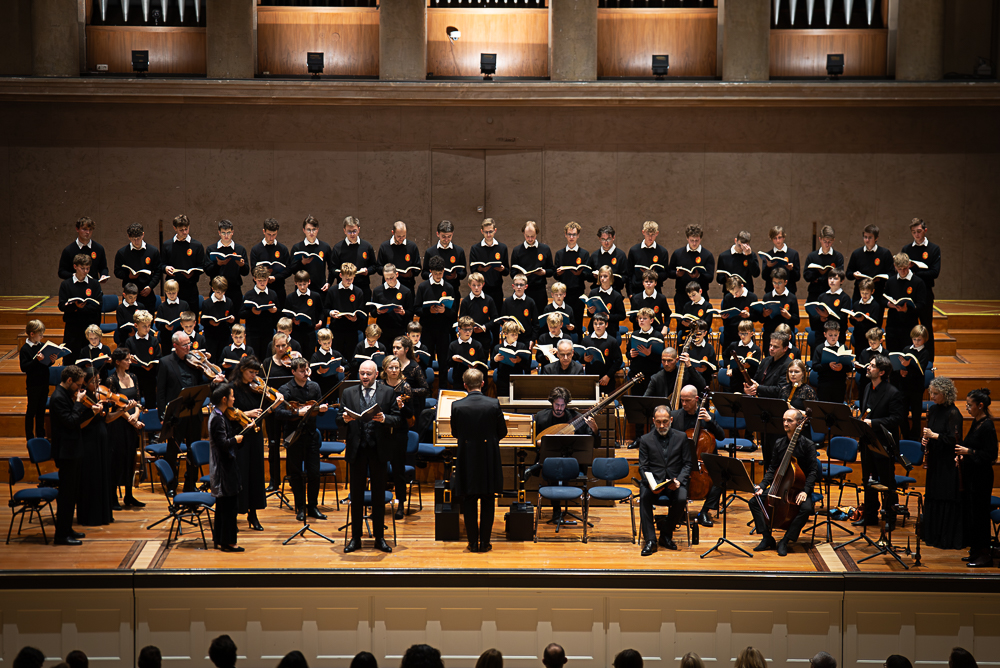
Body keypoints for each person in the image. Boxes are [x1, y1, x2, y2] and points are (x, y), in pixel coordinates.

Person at [341, 360, 401, 553]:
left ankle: (379, 538)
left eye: (368, 374)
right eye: (361, 373)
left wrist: (385, 419)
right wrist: (343, 419)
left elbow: (398, 419)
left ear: (376, 374)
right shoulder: (348, 393)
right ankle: (355, 538)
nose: (364, 377)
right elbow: (338, 419)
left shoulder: (388, 392)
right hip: (357, 450)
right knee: (356, 496)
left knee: (378, 495)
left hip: (378, 450)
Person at [750, 408, 820, 556]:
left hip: (800, 488)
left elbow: (813, 472)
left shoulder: (808, 445)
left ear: (799, 423)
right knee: (754, 501)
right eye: (784, 420)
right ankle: (767, 537)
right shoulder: (779, 443)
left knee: (806, 509)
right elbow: (772, 468)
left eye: (790, 420)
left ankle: (786, 540)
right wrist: (762, 486)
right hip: (781, 486)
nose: (786, 423)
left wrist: (805, 491)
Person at [452, 368, 508, 553]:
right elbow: (503, 432)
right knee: (487, 500)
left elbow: (455, 433)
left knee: (468, 500)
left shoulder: (457, 405)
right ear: (483, 384)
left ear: (465, 385)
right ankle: (485, 542)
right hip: (488, 457)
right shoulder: (493, 403)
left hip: (466, 457)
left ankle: (472, 543)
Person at [157, 331, 220, 492]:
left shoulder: (195, 362)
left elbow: (202, 383)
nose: (188, 347)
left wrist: (214, 378)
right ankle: (171, 484)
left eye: (189, 343)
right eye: (185, 345)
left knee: (193, 450)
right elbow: (161, 392)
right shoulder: (165, 362)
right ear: (175, 346)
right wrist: (163, 416)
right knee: (172, 450)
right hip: (175, 416)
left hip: (193, 413)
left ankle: (190, 483)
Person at [854, 355, 906, 529]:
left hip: (884, 445)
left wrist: (873, 423)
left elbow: (897, 418)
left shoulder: (893, 393)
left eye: (873, 366)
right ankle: (870, 516)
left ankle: (890, 517)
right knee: (867, 480)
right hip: (868, 442)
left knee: (886, 482)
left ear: (882, 372)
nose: (868, 367)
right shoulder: (868, 387)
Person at [275, 357, 330, 522]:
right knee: (296, 473)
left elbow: (319, 410)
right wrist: (296, 413)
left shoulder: (314, 387)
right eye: (301, 371)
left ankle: (312, 506)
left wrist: (322, 409)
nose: (305, 373)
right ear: (293, 372)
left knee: (314, 472)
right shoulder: (285, 390)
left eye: (307, 370)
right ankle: (300, 507)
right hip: (294, 436)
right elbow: (278, 413)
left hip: (312, 435)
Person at [49, 365, 94, 545]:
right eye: (78, 385)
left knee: (72, 493)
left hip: (73, 450)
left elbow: (76, 421)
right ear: (69, 381)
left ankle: (67, 528)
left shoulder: (66, 394)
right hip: (65, 452)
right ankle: (61, 535)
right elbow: (69, 422)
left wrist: (91, 410)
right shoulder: (58, 398)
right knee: (66, 495)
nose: (80, 389)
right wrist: (77, 404)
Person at [638, 405, 691, 555]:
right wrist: (652, 484)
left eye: (665, 422)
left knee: (681, 498)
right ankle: (650, 540)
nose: (662, 426)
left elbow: (687, 464)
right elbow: (643, 467)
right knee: (644, 496)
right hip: (654, 482)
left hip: (675, 481)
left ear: (671, 420)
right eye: (659, 422)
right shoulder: (645, 439)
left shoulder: (681, 437)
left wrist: (679, 481)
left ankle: (666, 535)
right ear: (653, 421)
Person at [229, 356, 273, 531]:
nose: (254, 376)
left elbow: (265, 411)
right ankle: (235, 512)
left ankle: (253, 515)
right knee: (240, 474)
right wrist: (248, 413)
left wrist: (274, 402)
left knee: (255, 474)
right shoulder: (232, 388)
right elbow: (227, 412)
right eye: (251, 372)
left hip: (255, 435)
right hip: (239, 436)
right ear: (242, 370)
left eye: (256, 373)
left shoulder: (257, 389)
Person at [671, 385, 724, 528]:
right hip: (682, 459)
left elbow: (721, 436)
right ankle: (679, 509)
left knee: (721, 478)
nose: (684, 404)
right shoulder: (675, 416)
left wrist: (709, 421)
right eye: (682, 400)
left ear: (696, 399)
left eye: (687, 400)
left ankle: (704, 512)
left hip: (704, 461)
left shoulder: (708, 416)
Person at [920, 377, 963, 549]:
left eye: (936, 393)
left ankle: (944, 537)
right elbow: (931, 432)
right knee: (932, 494)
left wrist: (934, 436)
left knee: (943, 496)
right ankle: (931, 534)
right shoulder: (934, 410)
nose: (932, 396)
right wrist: (925, 440)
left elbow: (954, 440)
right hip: (935, 461)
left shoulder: (954, 413)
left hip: (947, 464)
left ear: (946, 394)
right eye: (931, 392)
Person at [743, 331, 794, 463]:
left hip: (778, 413)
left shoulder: (788, 365)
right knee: (766, 450)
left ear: (785, 349)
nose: (771, 348)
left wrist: (757, 388)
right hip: (763, 411)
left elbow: (781, 390)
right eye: (770, 345)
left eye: (775, 347)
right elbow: (756, 380)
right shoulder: (766, 361)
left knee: (776, 452)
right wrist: (749, 388)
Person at [959, 388, 997, 568]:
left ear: (980, 406)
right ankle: (975, 551)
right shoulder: (976, 422)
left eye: (969, 405)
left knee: (980, 516)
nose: (967, 408)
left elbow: (991, 455)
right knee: (972, 514)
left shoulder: (988, 426)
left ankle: (984, 555)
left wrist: (968, 452)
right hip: (972, 475)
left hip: (981, 477)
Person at [106, 348, 144, 508]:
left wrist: (135, 416)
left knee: (130, 458)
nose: (130, 361)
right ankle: (113, 497)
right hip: (118, 425)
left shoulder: (133, 377)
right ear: (118, 361)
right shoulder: (111, 380)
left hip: (130, 424)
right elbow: (115, 406)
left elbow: (138, 400)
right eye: (127, 359)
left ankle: (129, 495)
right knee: (118, 460)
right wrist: (131, 420)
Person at [209, 384, 245, 553]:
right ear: (224, 399)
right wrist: (236, 439)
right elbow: (223, 443)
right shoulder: (217, 418)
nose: (234, 399)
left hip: (225, 465)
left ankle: (220, 538)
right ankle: (229, 542)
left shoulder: (219, 415)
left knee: (224, 506)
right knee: (230, 506)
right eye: (232, 396)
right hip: (223, 468)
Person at [76, 366, 112, 527]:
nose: (97, 384)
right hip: (89, 443)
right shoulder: (82, 400)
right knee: (92, 479)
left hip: (101, 442)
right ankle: (91, 516)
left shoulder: (97, 398)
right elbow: (80, 425)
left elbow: (106, 419)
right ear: (85, 382)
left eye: (98, 380)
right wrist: (93, 413)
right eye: (93, 382)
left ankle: (103, 515)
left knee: (102, 477)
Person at [415, 255, 458, 386]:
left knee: (443, 363)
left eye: (440, 273)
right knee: (426, 362)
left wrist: (445, 311)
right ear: (431, 272)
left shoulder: (449, 288)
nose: (438, 276)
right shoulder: (423, 287)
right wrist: (429, 311)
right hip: (427, 329)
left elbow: (454, 312)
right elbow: (416, 308)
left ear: (444, 271)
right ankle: (425, 391)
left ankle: (442, 390)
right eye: (435, 273)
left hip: (444, 330)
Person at [902, 217, 940, 361]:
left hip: (925, 293)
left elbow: (935, 272)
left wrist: (916, 272)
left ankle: (929, 361)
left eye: (919, 231)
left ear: (925, 230)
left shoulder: (933, 249)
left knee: (926, 327)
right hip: (910, 293)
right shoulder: (906, 249)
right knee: (909, 326)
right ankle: (909, 358)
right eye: (913, 232)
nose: (917, 235)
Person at [58, 253, 104, 365]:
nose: (85, 271)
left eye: (87, 268)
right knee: (71, 359)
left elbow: (98, 305)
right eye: (82, 268)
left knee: (89, 360)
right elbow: (62, 306)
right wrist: (75, 306)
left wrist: (80, 309)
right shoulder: (66, 284)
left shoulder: (94, 284)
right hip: (73, 328)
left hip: (89, 326)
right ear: (75, 267)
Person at [20, 319, 58, 440]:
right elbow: (24, 367)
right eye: (40, 334)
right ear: (32, 334)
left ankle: (41, 435)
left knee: (41, 410)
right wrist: (36, 360)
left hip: (43, 382)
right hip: (33, 384)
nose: (42, 336)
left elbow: (45, 364)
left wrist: (51, 361)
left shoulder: (42, 346)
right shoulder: (25, 349)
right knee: (32, 411)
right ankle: (30, 437)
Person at [161, 215, 206, 313]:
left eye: (186, 229)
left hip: (190, 288)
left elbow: (202, 265)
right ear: (175, 228)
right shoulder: (167, 245)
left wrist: (193, 273)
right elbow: (161, 264)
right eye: (181, 230)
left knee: (191, 316)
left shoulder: (197, 245)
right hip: (172, 289)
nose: (184, 232)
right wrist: (166, 268)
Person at [884, 253, 927, 354]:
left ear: (909, 265)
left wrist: (907, 309)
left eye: (905, 268)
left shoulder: (918, 282)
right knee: (893, 355)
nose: (903, 271)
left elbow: (922, 304)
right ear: (895, 267)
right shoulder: (891, 281)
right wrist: (889, 304)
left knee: (908, 356)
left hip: (909, 326)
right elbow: (883, 299)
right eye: (900, 269)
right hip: (893, 325)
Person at [330, 216, 379, 302]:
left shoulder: (366, 246)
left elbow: (374, 266)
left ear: (359, 230)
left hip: (362, 287)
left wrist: (367, 271)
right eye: (349, 231)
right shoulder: (338, 248)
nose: (352, 234)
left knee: (362, 314)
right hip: (343, 289)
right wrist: (342, 274)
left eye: (354, 231)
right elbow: (332, 269)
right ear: (344, 231)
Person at [114, 223, 161, 314]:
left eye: (138, 238)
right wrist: (128, 276)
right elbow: (117, 271)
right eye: (133, 239)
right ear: (128, 236)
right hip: (129, 296)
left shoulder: (152, 251)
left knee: (147, 324)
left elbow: (158, 271)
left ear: (143, 235)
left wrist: (150, 287)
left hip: (147, 293)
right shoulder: (122, 252)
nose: (136, 241)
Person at [553, 221, 590, 333]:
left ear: (578, 235)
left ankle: (577, 347)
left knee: (577, 321)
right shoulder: (560, 254)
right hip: (563, 293)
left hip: (578, 292)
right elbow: (555, 275)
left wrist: (580, 274)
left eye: (574, 234)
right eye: (569, 234)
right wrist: (558, 273)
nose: (571, 237)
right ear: (565, 235)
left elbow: (588, 275)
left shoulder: (584, 254)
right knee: (563, 322)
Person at [204, 219, 249, 309]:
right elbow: (208, 271)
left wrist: (242, 265)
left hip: (234, 291)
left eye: (228, 232)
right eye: (223, 233)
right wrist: (218, 264)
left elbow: (246, 272)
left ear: (232, 232)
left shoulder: (240, 249)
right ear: (219, 233)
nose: (226, 236)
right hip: (217, 291)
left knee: (234, 319)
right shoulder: (211, 249)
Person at [668, 223, 714, 311]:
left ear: (700, 238)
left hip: (700, 296)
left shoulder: (707, 255)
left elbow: (710, 277)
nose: (694, 243)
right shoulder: (678, 253)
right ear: (687, 238)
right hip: (682, 295)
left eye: (697, 240)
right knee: (682, 322)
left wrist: (699, 276)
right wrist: (677, 274)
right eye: (691, 240)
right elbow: (669, 272)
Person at [509, 220, 553, 311]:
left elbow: (551, 270)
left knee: (540, 316)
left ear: (536, 234)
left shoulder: (545, 249)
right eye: (527, 236)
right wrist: (520, 275)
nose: (529, 239)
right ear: (523, 233)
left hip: (539, 289)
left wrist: (544, 272)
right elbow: (512, 272)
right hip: (522, 289)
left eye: (532, 236)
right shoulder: (517, 250)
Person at [250, 217, 292, 311]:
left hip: (279, 289)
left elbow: (289, 270)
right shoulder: (256, 249)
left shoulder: (283, 249)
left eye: (274, 234)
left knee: (279, 316)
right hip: (261, 289)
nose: (271, 238)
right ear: (264, 231)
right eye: (269, 234)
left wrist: (275, 278)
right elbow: (253, 270)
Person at [846, 224, 893, 303]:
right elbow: (848, 273)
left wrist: (881, 278)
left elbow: (891, 273)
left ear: (876, 238)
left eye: (870, 237)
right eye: (865, 237)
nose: (867, 240)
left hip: (878, 292)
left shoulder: (885, 253)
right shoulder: (856, 253)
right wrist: (854, 274)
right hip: (860, 293)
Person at [468, 217, 509, 307]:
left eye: (490, 231)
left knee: (497, 317)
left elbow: (507, 271)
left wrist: (502, 269)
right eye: (486, 232)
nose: (488, 234)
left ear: (495, 230)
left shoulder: (502, 248)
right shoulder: (475, 248)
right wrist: (480, 269)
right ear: (481, 231)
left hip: (497, 289)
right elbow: (472, 270)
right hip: (481, 289)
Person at [370, 263, 413, 347]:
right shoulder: (377, 291)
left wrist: (403, 312)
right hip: (382, 332)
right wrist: (378, 311)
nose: (389, 280)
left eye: (391, 278)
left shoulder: (406, 291)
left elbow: (411, 312)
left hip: (399, 330)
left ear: (396, 274)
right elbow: (372, 313)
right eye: (386, 278)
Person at [289, 214, 333, 294]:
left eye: (314, 229)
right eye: (308, 229)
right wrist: (302, 263)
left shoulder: (325, 247)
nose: (311, 232)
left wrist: (329, 282)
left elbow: (332, 267)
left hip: (321, 289)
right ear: (304, 230)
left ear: (318, 229)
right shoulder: (297, 248)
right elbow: (292, 270)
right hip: (302, 290)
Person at [58, 216, 109, 283]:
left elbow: (103, 268)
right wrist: (74, 275)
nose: (88, 232)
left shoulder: (99, 248)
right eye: (84, 229)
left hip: (93, 287)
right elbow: (61, 272)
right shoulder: (68, 250)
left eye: (90, 229)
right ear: (77, 229)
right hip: (74, 287)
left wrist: (103, 275)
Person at [422, 219, 467, 294]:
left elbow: (464, 273)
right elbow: (424, 273)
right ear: (437, 234)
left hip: (453, 289)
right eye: (443, 236)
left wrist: (455, 275)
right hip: (434, 290)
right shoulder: (430, 252)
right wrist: (433, 275)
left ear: (452, 234)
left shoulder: (459, 251)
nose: (446, 239)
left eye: (449, 236)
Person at [580, 312, 622, 391]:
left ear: (606, 325)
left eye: (601, 324)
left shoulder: (612, 341)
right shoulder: (586, 340)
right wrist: (584, 360)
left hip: (607, 379)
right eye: (595, 324)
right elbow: (580, 357)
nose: (598, 326)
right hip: (591, 377)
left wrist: (608, 376)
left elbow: (618, 361)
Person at [377, 220, 422, 293]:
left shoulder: (412, 247)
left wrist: (411, 274)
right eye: (399, 236)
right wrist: (390, 273)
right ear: (393, 233)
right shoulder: (385, 247)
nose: (401, 239)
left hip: (408, 286)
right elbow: (378, 267)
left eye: (404, 236)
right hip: (389, 287)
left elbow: (418, 267)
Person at [459, 272, 498, 352]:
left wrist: (484, 327)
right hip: (469, 338)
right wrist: (470, 328)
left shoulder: (489, 300)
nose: (476, 288)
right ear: (469, 285)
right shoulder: (465, 302)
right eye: (474, 285)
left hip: (485, 337)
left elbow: (495, 319)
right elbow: (461, 320)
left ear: (483, 284)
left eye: (479, 285)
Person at [803, 225, 843, 302]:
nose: (827, 244)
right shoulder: (812, 256)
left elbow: (840, 276)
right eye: (825, 241)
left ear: (833, 240)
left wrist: (819, 278)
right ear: (820, 239)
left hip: (832, 293)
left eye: (830, 242)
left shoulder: (838, 256)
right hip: (814, 293)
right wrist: (820, 274)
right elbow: (806, 276)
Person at [812, 320, 849, 403]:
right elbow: (815, 366)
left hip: (839, 384)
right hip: (824, 384)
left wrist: (842, 367)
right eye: (830, 335)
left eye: (835, 335)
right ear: (825, 334)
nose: (833, 337)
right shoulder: (820, 348)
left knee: (837, 409)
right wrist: (828, 365)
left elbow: (849, 367)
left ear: (839, 334)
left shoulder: (844, 347)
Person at [202, 276, 236, 364]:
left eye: (223, 292)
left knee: (222, 360)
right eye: (218, 292)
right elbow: (203, 321)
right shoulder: (207, 303)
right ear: (213, 289)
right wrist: (210, 322)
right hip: (211, 337)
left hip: (224, 336)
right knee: (211, 360)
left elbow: (232, 317)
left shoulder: (229, 302)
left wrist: (231, 320)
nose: (220, 294)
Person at [629, 220, 669, 296]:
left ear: (657, 233)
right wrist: (630, 293)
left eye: (653, 234)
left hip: (656, 290)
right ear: (643, 232)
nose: (650, 237)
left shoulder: (662, 252)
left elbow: (666, 273)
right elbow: (630, 273)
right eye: (648, 234)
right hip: (637, 290)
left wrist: (654, 275)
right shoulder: (634, 250)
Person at [718, 274, 756, 349]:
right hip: (730, 332)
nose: (735, 295)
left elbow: (756, 317)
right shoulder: (728, 297)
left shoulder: (752, 297)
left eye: (736, 292)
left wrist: (749, 315)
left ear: (742, 286)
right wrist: (723, 317)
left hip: (745, 332)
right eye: (732, 293)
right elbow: (725, 318)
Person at [760, 225, 800, 296]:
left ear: (784, 237)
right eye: (775, 238)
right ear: (772, 239)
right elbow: (764, 277)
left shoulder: (793, 254)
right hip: (771, 292)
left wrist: (791, 269)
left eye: (779, 237)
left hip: (789, 293)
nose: (778, 240)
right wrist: (768, 267)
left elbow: (797, 277)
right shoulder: (768, 255)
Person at [590, 224, 629, 292]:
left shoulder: (620, 255)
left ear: (613, 238)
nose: (606, 242)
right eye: (603, 239)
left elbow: (626, 277)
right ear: (599, 239)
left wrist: (614, 279)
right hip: (597, 291)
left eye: (608, 239)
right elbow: (589, 277)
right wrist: (594, 276)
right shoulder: (594, 255)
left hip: (615, 292)